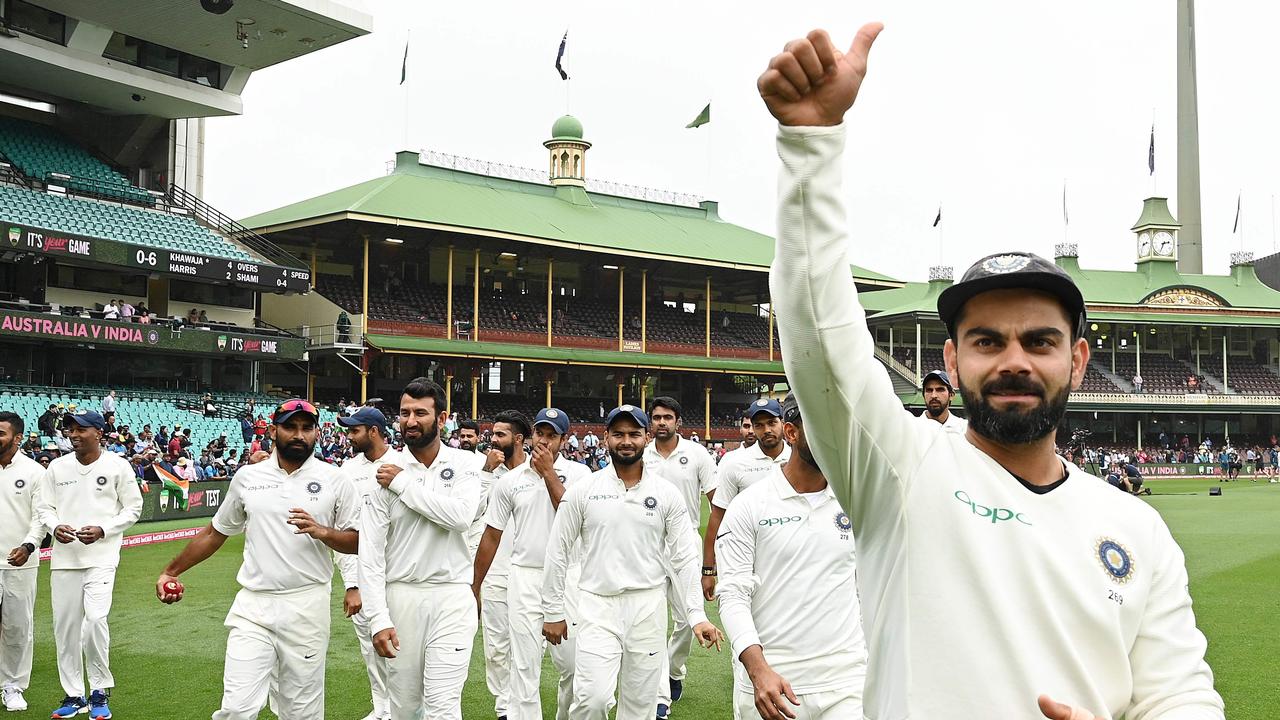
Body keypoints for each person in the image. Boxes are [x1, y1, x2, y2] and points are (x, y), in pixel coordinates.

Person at [760, 24, 1222, 719]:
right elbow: (817, 332)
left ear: (1078, 359)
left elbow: (1182, 698)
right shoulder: (899, 473)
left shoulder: (1136, 529)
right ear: (950, 360)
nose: (1013, 361)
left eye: (1039, 341)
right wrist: (811, 145)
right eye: (986, 341)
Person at [155, 399, 358, 720]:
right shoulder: (248, 477)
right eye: (290, 427)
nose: (299, 435)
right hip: (253, 607)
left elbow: (358, 541)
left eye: (307, 428)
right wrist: (171, 571)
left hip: (306, 607)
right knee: (236, 708)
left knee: (300, 713)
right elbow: (215, 533)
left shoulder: (335, 480)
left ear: (318, 433)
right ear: (274, 430)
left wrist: (323, 532)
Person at [540, 405, 723, 720]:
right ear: (606, 438)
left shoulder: (666, 494)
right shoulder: (584, 491)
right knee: (592, 700)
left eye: (634, 434)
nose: (627, 441)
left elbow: (683, 559)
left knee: (640, 707)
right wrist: (553, 611)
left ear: (646, 437)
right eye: (619, 434)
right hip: (597, 605)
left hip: (647, 608)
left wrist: (696, 615)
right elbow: (558, 551)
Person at [717, 394, 867, 720]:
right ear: (791, 432)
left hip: (846, 678)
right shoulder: (750, 505)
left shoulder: (856, 501)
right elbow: (732, 595)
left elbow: (866, 588)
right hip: (774, 679)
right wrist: (758, 670)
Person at [359, 378, 482, 720]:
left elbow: (459, 517)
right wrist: (377, 619)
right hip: (401, 598)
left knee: (443, 708)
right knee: (404, 709)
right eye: (404, 413)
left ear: (442, 420)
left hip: (452, 595)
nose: (410, 421)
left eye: (420, 413)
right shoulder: (380, 474)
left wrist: (402, 483)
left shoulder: (465, 465)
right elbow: (369, 554)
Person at [473, 408, 592, 720]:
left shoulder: (581, 476)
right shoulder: (511, 481)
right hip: (524, 576)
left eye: (552, 436)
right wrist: (475, 586)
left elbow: (575, 519)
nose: (544, 441)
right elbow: (491, 535)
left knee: (573, 664)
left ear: (564, 440)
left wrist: (549, 474)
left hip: (569, 576)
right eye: (540, 433)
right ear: (531, 435)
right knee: (524, 664)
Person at [36, 409, 143, 719]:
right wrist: (55, 527)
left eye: (81, 429)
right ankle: (73, 694)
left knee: (95, 621)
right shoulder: (56, 467)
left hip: (102, 557)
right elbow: (44, 508)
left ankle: (99, 690)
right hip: (65, 560)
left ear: (99, 432)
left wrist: (103, 530)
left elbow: (133, 508)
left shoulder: (117, 466)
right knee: (65, 629)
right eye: (70, 429)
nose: (74, 434)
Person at [642, 396, 717, 712]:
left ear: (678, 422)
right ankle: (660, 696)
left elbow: (718, 501)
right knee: (652, 617)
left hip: (685, 542)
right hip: (648, 543)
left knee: (687, 618)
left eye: (667, 417)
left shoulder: (697, 454)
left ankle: (674, 671)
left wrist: (712, 564)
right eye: (656, 417)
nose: (662, 422)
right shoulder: (641, 455)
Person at [335, 408, 397, 720]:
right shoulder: (346, 472)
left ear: (373, 431)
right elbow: (345, 531)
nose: (348, 436)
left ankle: (411, 708)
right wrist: (352, 584)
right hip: (363, 572)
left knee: (405, 644)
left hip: (401, 572)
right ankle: (382, 709)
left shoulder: (403, 464)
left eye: (354, 430)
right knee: (371, 646)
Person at [702, 399, 791, 602]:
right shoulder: (734, 462)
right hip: (745, 553)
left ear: (783, 423)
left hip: (789, 552)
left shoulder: (798, 457)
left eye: (771, 423)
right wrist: (708, 569)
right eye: (759, 425)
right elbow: (718, 515)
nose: (766, 430)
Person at [472, 412, 522, 720]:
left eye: (501, 434)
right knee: (496, 644)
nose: (494, 439)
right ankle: (505, 706)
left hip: (530, 570)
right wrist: (486, 472)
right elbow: (471, 513)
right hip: (495, 570)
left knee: (529, 646)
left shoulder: (536, 473)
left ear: (517, 439)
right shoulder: (485, 473)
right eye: (492, 433)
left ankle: (522, 699)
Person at [0, 412, 44, 712]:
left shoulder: (34, 472)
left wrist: (29, 546)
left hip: (19, 563)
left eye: (0, 433)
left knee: (17, 628)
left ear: (17, 438)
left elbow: (41, 517)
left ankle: (12, 686)